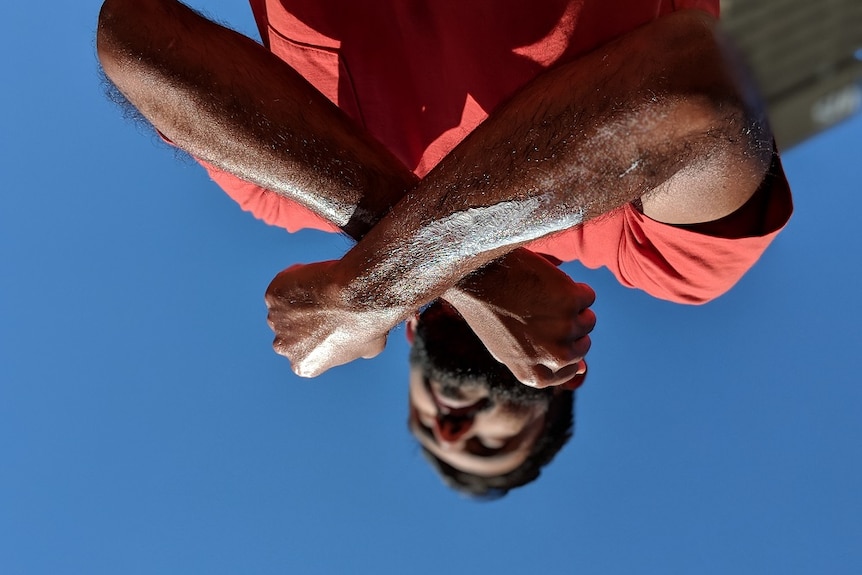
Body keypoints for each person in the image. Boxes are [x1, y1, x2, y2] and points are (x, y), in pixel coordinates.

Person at [96, 0, 792, 384]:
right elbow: (699, 84)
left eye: (432, 428)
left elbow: (135, 36)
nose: (457, 426)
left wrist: (392, 268)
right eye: (499, 443)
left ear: (402, 341)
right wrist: (379, 289)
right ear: (557, 370)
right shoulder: (660, 256)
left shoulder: (288, 186)